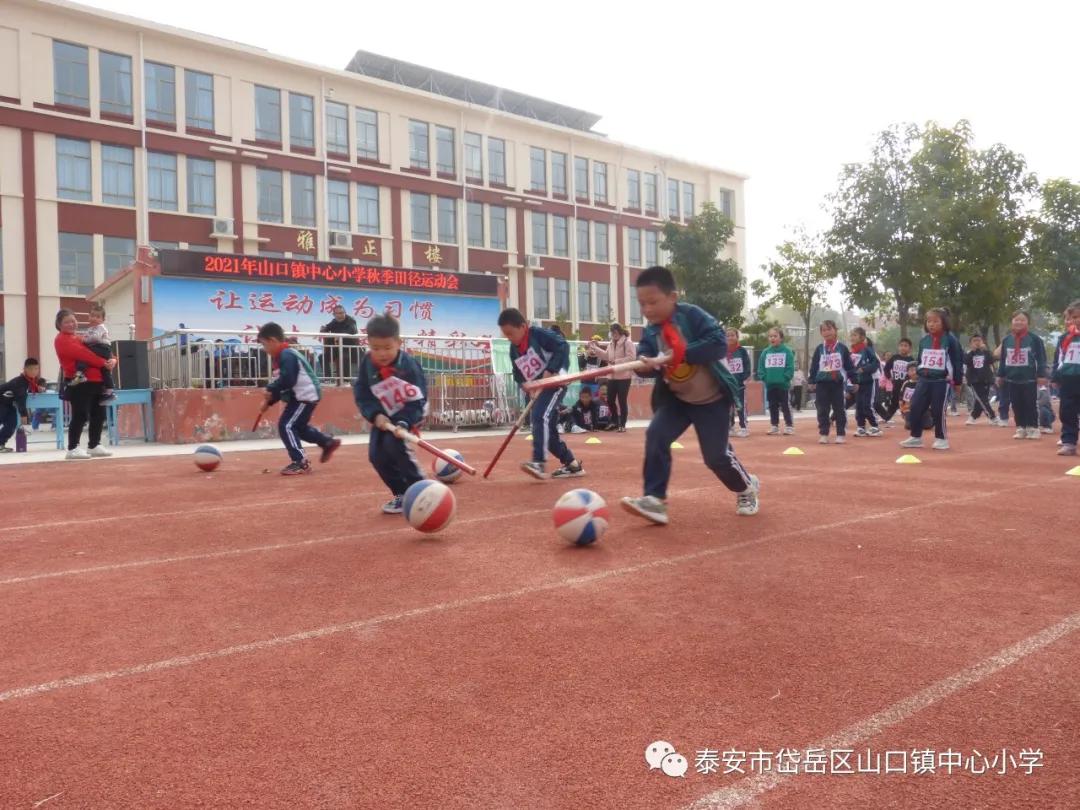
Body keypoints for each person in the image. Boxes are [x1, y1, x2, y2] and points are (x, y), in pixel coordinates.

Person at [620, 266, 759, 524]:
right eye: (642, 304)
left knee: (716, 457)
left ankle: (746, 488)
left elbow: (718, 344)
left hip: (712, 399)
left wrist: (681, 353)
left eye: (653, 302)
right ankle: (655, 500)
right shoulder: (650, 331)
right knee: (656, 435)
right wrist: (647, 365)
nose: (647, 310)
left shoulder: (692, 316)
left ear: (672, 297)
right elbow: (651, 363)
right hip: (677, 400)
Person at [353, 314, 430, 512]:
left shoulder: (409, 366)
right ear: (368, 344)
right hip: (383, 417)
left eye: (387, 348)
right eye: (376, 348)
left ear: (398, 343)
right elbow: (362, 393)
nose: (382, 354)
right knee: (376, 456)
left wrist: (404, 422)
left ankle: (422, 491)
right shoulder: (367, 364)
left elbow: (418, 401)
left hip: (409, 412)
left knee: (395, 447)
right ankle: (401, 494)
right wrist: (375, 414)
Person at [498, 307, 584, 480]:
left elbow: (562, 345)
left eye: (511, 333)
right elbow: (517, 374)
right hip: (539, 388)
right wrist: (526, 385)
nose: (509, 338)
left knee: (539, 417)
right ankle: (572, 464)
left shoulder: (538, 335)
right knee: (549, 432)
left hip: (555, 382)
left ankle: (539, 462)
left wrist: (551, 370)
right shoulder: (513, 349)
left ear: (523, 327)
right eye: (505, 335)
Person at [257, 322, 342, 476]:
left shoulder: (287, 355)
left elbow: (288, 380)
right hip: (301, 396)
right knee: (299, 428)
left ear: (272, 341)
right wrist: (269, 401)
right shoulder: (282, 357)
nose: (264, 349)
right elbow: (283, 385)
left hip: (304, 395)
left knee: (286, 426)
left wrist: (270, 389)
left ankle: (300, 461)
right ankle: (327, 442)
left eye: (264, 344)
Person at [54, 308, 116, 460]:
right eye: (67, 322)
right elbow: (85, 355)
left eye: (73, 320)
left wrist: (113, 360)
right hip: (79, 382)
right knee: (80, 414)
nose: (71, 324)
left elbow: (104, 349)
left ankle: (94, 445)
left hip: (97, 380)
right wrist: (104, 363)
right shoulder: (61, 339)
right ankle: (73, 448)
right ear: (59, 325)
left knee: (98, 414)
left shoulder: (81, 337)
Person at [899, 308, 964, 451]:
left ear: (944, 322)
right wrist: (918, 373)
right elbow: (920, 359)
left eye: (935, 321)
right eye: (929, 321)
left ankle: (941, 438)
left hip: (941, 381)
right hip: (923, 379)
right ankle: (916, 437)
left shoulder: (950, 340)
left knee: (937, 410)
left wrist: (957, 382)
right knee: (915, 406)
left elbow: (957, 361)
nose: (931, 324)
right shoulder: (924, 340)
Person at [996, 310, 1048, 440]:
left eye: (1022, 320)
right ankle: (1021, 427)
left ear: (1028, 323)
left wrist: (1041, 375)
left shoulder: (1034, 339)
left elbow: (1041, 358)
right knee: (1016, 403)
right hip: (1012, 378)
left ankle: (1033, 427)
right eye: (1016, 320)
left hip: (1029, 378)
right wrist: (1000, 375)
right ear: (1012, 322)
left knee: (1030, 403)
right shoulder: (1007, 340)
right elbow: (1003, 359)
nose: (1019, 322)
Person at [808, 320, 856, 445]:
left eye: (829, 329)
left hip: (837, 383)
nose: (827, 332)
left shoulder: (842, 348)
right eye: (824, 330)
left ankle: (840, 433)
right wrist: (811, 380)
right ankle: (824, 433)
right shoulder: (819, 349)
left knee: (839, 409)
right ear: (821, 333)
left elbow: (849, 367)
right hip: (822, 383)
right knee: (822, 409)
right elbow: (814, 366)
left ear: (835, 330)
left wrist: (855, 381)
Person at [589, 324, 635, 432]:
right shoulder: (610, 343)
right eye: (612, 332)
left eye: (615, 332)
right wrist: (595, 348)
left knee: (622, 401)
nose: (613, 335)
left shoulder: (627, 343)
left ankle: (622, 424)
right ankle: (615, 421)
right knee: (610, 400)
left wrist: (617, 362)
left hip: (624, 377)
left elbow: (632, 357)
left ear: (620, 332)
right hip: (611, 376)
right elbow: (606, 356)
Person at [69, 303, 116, 403]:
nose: (94, 318)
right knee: (105, 370)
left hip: (102, 348)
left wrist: (84, 340)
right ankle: (109, 390)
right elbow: (87, 337)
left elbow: (95, 338)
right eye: (92, 316)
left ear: (103, 320)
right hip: (100, 349)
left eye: (98, 317)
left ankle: (80, 373)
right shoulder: (90, 329)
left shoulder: (101, 327)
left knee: (84, 355)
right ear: (89, 317)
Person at [1052, 300, 1080, 456]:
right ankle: (1069, 442)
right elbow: (1059, 359)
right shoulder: (1065, 338)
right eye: (1075, 316)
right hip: (1068, 379)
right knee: (1067, 411)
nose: (1078, 320)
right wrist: (1056, 377)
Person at [755, 327, 795, 435]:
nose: (772, 338)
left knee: (785, 405)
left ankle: (789, 425)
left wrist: (786, 377)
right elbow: (761, 367)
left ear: (781, 338)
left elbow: (790, 367)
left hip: (783, 385)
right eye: (770, 336)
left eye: (775, 336)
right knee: (772, 405)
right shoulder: (765, 352)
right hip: (770, 384)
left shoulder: (787, 351)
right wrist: (765, 378)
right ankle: (774, 425)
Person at [0, 358, 45, 452]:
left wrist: (39, 389)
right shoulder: (20, 382)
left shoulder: (28, 381)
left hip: (8, 404)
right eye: (31, 369)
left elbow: (30, 389)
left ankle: (0, 444)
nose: (34, 371)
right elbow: (21, 399)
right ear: (25, 369)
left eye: (36, 369)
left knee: (11, 424)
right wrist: (24, 414)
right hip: (2, 402)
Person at [848, 326, 882, 437]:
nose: (852, 337)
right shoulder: (851, 352)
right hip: (858, 383)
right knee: (859, 406)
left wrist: (864, 369)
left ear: (862, 337)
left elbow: (876, 363)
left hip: (869, 382)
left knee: (868, 405)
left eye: (855, 335)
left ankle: (875, 426)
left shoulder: (867, 349)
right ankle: (861, 427)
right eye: (851, 335)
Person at [723, 328, 752, 437]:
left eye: (732, 335)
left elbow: (747, 365)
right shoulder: (722, 352)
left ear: (737, 337)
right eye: (728, 335)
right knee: (728, 407)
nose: (730, 337)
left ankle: (744, 427)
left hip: (739, 384)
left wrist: (745, 378)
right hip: (727, 384)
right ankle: (730, 427)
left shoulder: (742, 351)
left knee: (740, 406)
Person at [319, 304, 360, 383]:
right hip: (337, 349)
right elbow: (326, 328)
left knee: (344, 357)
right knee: (322, 357)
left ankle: (346, 380)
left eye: (341, 313)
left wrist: (339, 336)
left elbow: (352, 331)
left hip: (350, 349)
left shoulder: (351, 320)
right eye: (337, 314)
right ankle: (328, 378)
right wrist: (322, 329)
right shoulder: (334, 321)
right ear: (334, 315)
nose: (339, 315)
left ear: (345, 312)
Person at [964, 334, 998, 425]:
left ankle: (973, 417)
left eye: (979, 340)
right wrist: (972, 351)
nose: (977, 343)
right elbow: (966, 361)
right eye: (974, 341)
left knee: (981, 400)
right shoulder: (968, 353)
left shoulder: (985, 352)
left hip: (986, 379)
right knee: (982, 399)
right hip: (975, 380)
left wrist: (986, 350)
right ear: (970, 344)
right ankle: (992, 416)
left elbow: (991, 360)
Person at [882, 338, 915, 424]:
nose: (903, 348)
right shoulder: (894, 358)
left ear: (910, 348)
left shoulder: (911, 359)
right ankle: (887, 417)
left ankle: (909, 418)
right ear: (898, 347)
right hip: (896, 385)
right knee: (894, 402)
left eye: (906, 346)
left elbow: (914, 372)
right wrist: (889, 377)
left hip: (906, 386)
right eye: (901, 345)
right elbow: (886, 368)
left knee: (907, 402)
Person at [898, 363, 931, 431]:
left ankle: (931, 419)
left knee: (927, 426)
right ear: (907, 372)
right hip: (909, 409)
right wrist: (902, 411)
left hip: (923, 409)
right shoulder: (906, 384)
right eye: (911, 370)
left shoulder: (924, 383)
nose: (914, 372)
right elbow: (901, 398)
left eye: (916, 370)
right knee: (909, 426)